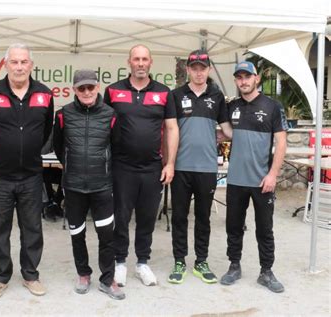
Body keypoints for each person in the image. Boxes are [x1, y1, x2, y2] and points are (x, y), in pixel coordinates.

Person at [0, 43, 54, 299]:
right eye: (14, 62)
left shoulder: (45, 95)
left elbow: (45, 132)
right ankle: (0, 277)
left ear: (31, 65)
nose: (19, 67)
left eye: (24, 62)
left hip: (32, 175)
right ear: (5, 64)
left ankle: (30, 274)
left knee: (32, 227)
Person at [104, 44, 179, 287]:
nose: (140, 63)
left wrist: (170, 164)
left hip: (152, 168)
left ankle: (143, 263)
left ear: (151, 62)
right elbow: (104, 127)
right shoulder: (113, 91)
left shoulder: (164, 92)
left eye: (144, 59)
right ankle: (120, 263)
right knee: (121, 216)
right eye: (136, 58)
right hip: (122, 166)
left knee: (147, 218)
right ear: (129, 61)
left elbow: (171, 128)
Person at [53, 69, 125, 300]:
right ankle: (83, 273)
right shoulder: (63, 114)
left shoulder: (111, 114)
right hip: (73, 186)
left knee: (106, 236)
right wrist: (71, 165)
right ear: (74, 90)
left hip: (101, 186)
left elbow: (117, 146)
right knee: (77, 234)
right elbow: (57, 146)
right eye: (81, 88)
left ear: (97, 87)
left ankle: (107, 279)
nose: (86, 92)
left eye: (90, 87)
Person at [219, 61, 287, 293]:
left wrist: (273, 175)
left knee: (264, 229)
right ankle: (234, 266)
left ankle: (266, 272)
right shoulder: (233, 106)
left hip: (262, 181)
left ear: (256, 78)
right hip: (236, 180)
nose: (243, 81)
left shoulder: (272, 106)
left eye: (247, 76)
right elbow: (229, 132)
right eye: (239, 77)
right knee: (234, 226)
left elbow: (281, 142)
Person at [168, 49, 233, 285]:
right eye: (193, 68)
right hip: (181, 167)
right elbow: (169, 130)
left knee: (203, 217)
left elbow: (227, 131)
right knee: (179, 217)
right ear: (187, 69)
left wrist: (219, 135)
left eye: (202, 68)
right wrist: (169, 163)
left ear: (208, 70)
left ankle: (201, 261)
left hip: (206, 168)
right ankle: (179, 261)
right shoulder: (175, 95)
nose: (198, 72)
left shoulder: (216, 97)